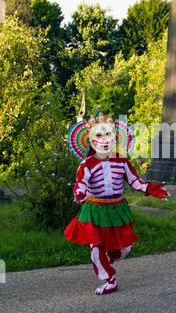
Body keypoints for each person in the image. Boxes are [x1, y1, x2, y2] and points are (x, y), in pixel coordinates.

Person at [64, 112, 168, 294]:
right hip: (94, 210)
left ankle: (108, 261)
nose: (104, 139)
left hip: (117, 209)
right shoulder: (86, 164)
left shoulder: (122, 161)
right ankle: (109, 279)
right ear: (90, 140)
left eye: (108, 134)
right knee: (96, 248)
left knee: (124, 249)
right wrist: (79, 193)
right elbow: (81, 182)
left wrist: (150, 189)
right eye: (99, 135)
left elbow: (135, 181)